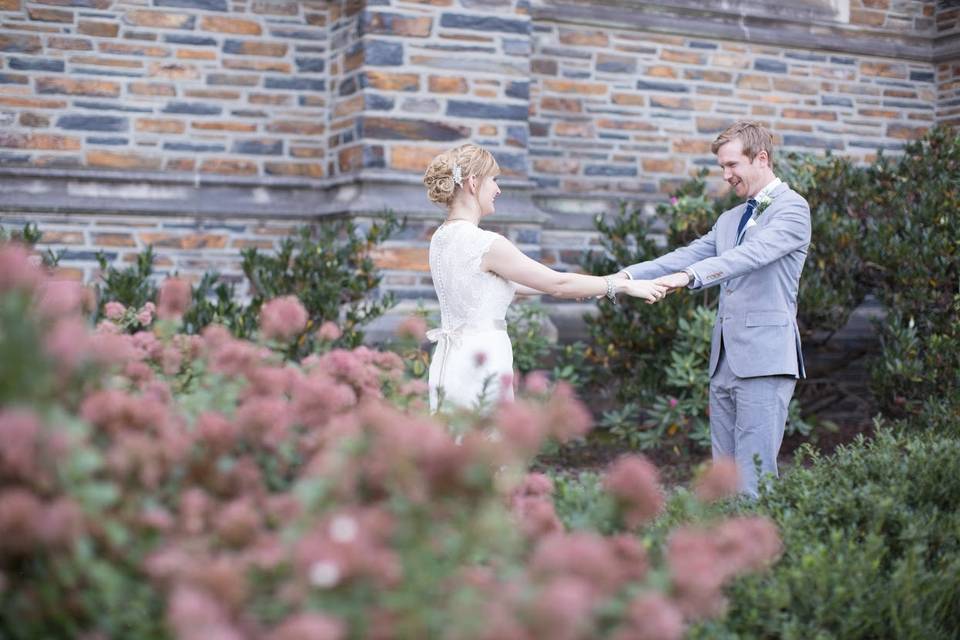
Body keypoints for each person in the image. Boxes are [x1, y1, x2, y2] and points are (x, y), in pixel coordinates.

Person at [614, 121, 811, 498]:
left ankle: (757, 555)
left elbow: (751, 255)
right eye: (722, 167)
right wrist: (618, 279)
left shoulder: (793, 209)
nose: (726, 175)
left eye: (732, 165)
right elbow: (683, 255)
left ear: (762, 159)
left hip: (765, 360)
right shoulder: (729, 219)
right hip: (723, 363)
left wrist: (687, 278)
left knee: (753, 480)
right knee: (724, 479)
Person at [423, 143, 668, 413]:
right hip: (482, 360)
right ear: (473, 182)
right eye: (494, 180)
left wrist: (598, 282)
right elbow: (557, 283)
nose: (498, 189)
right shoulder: (487, 243)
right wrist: (621, 284)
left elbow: (505, 285)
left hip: (450, 360)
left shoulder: (441, 238)